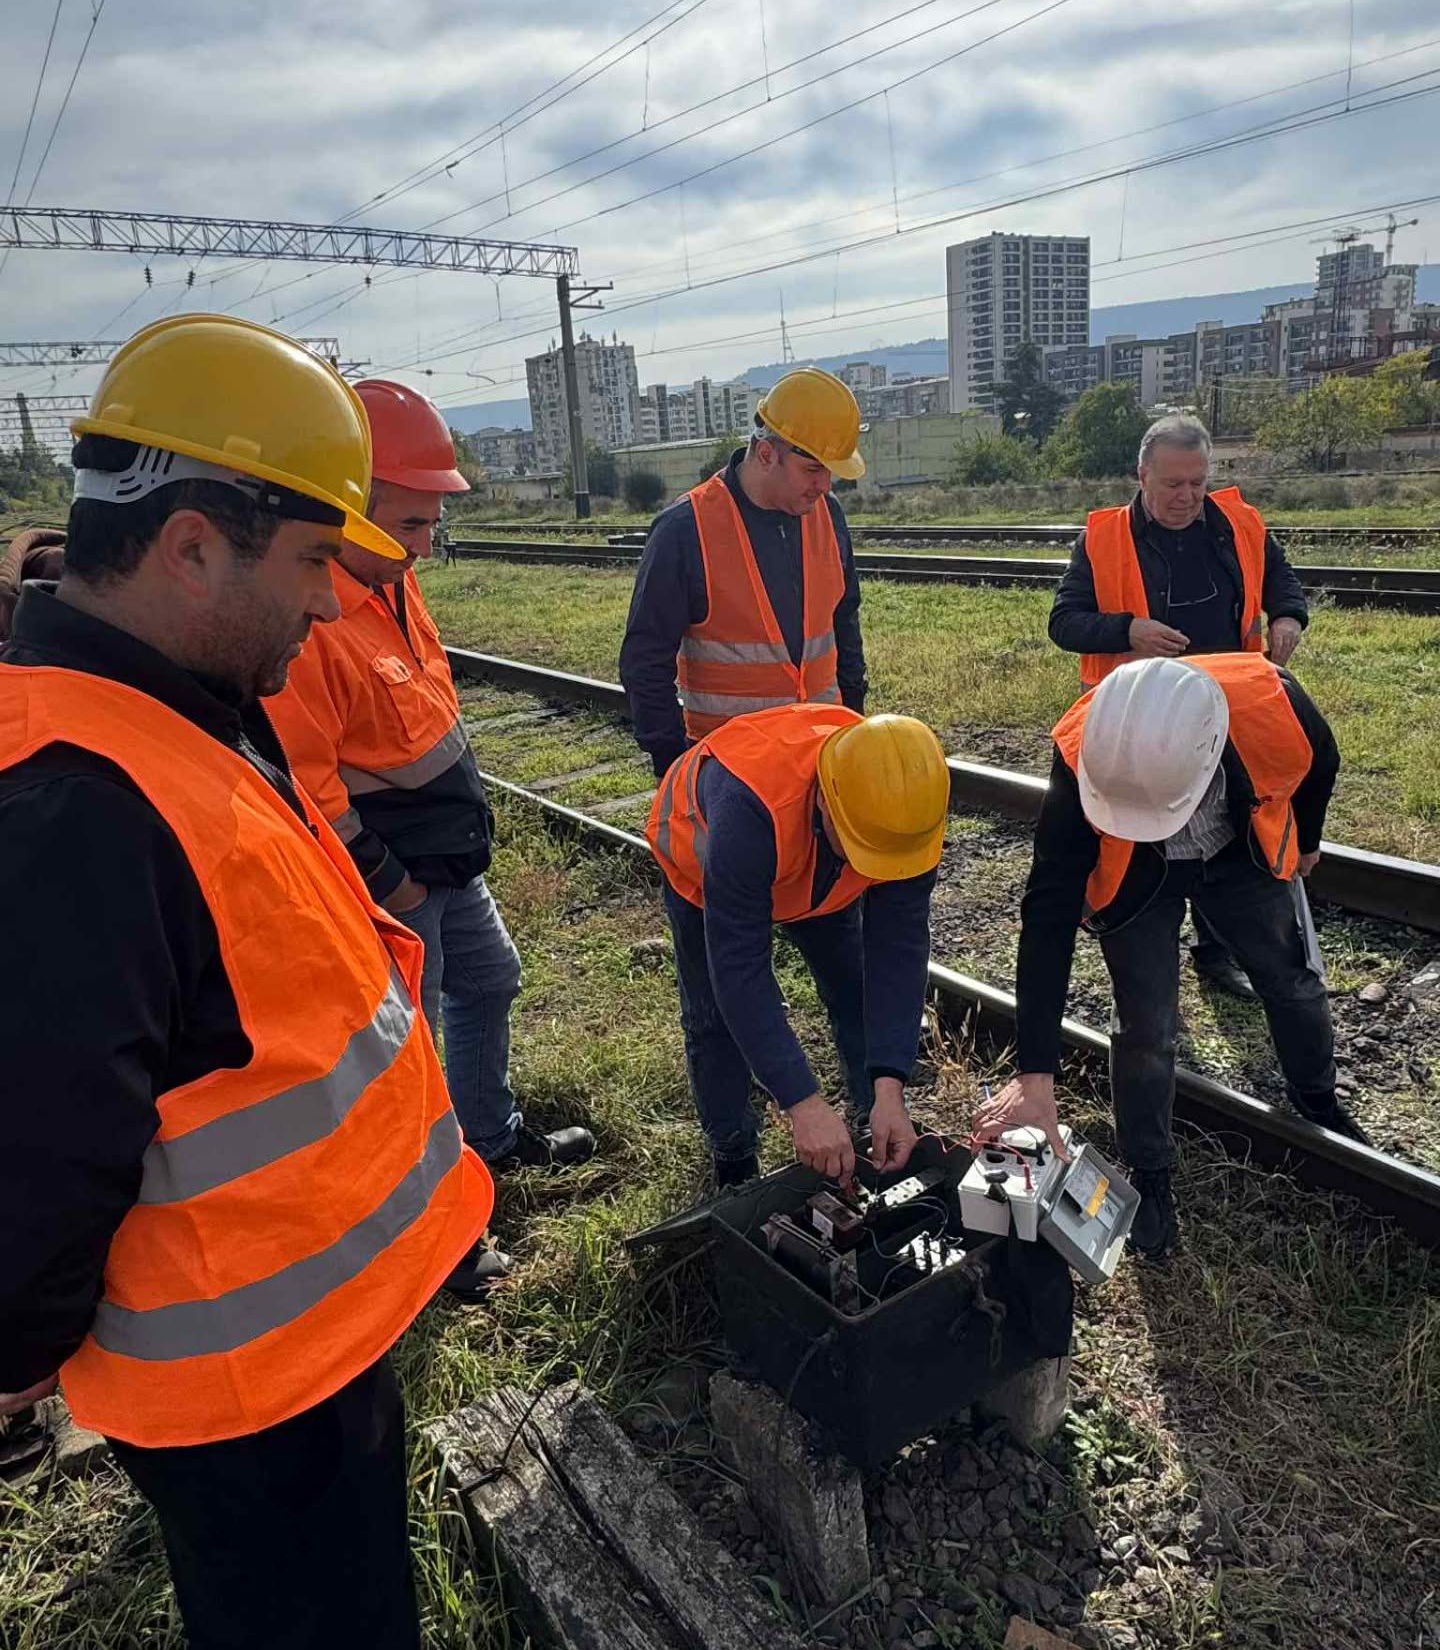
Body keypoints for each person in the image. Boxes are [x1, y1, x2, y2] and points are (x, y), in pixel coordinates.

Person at [0, 314, 494, 1650]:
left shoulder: (165, 704)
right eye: (311, 566)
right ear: (194, 544)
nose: (334, 608)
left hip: (298, 1356)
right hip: (244, 1397)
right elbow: (34, 1160)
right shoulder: (67, 806)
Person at [268, 378, 593, 1245]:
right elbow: (308, 786)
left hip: (447, 862)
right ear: (349, 513)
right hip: (400, 880)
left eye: (429, 519)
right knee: (409, 1052)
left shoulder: (392, 581)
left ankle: (487, 1140)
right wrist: (392, 886)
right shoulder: (317, 616)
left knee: (492, 981)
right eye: (410, 522)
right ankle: (442, 1224)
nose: (427, 540)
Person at [973, 654, 1367, 1263]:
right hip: (1137, 877)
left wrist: (1308, 841)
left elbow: (1323, 763)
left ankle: (1318, 1102)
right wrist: (1036, 1074)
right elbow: (1047, 916)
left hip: (1239, 851)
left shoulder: (1276, 703)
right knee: (1147, 1027)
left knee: (1290, 979)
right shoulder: (1083, 748)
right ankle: (1150, 1171)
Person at [1048, 413, 1310, 1002]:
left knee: (1232, 833)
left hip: (1232, 715)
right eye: (1173, 483)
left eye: (1197, 482)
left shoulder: (1238, 523)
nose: (1187, 496)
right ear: (1142, 476)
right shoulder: (1102, 539)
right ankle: (1147, 951)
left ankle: (1216, 953)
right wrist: (1127, 629)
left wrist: (1289, 614)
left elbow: (1281, 581)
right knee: (1151, 837)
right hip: (1145, 725)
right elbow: (1064, 623)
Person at [648, 700, 950, 1186]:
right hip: (703, 867)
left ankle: (872, 1121)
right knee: (713, 1022)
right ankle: (734, 1157)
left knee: (856, 990)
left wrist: (891, 1082)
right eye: (861, 850)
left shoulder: (904, 804)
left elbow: (899, 948)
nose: (872, 869)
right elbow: (741, 972)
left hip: (813, 874)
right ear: (828, 802)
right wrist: (802, 1102)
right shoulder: (748, 810)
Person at [619, 367, 868, 784]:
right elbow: (644, 660)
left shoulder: (828, 516)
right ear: (767, 453)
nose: (825, 485)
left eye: (832, 472)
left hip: (821, 760)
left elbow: (845, 622)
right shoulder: (687, 528)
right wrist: (673, 765)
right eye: (813, 469)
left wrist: (855, 725)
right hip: (731, 777)